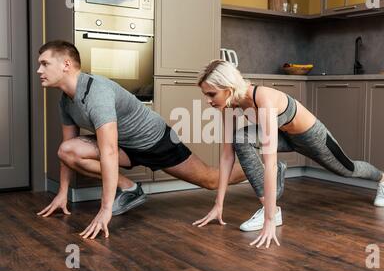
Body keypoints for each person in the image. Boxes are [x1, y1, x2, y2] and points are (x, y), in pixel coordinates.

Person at [35, 41, 285, 240]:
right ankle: (131, 189)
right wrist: (63, 193)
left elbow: (108, 152)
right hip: (125, 147)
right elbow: (74, 146)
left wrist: (105, 209)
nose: (39, 71)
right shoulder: (66, 101)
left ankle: (269, 172)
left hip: (155, 140)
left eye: (45, 64)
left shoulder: (96, 92)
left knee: (210, 179)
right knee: (67, 150)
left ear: (66, 64)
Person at [193, 59, 384, 249]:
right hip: (284, 136)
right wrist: (218, 205)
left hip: (311, 138)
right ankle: (271, 210)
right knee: (241, 139)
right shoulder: (229, 106)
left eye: (211, 94)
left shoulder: (262, 98)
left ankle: (383, 179)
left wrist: (269, 223)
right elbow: (227, 156)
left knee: (348, 169)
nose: (208, 101)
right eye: (206, 95)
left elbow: (268, 162)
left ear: (228, 89)